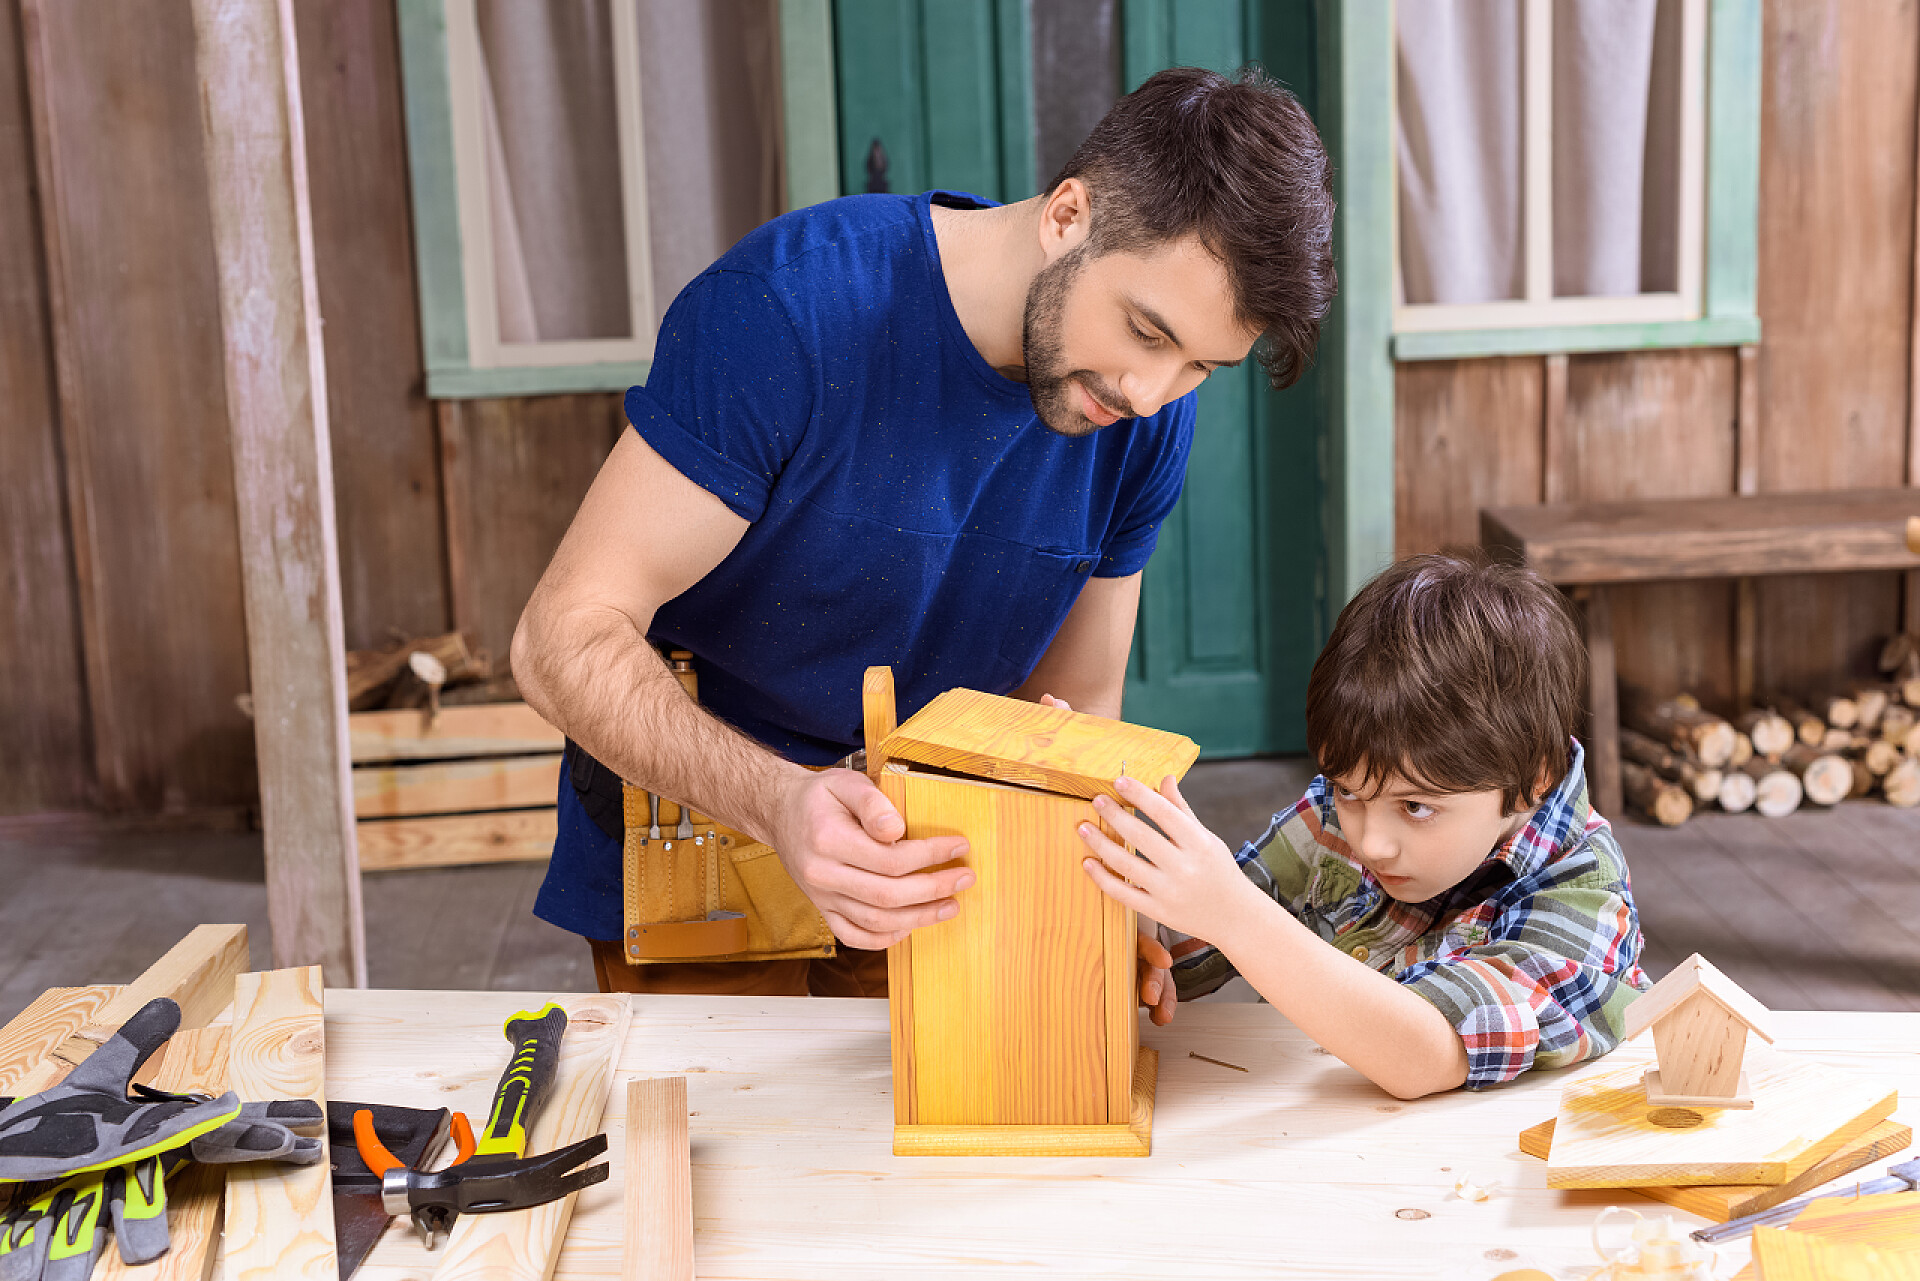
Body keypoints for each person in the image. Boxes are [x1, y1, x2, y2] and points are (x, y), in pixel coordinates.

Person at [512, 66, 1337, 996]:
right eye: (1146, 333)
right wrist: (779, 802)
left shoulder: (1143, 416)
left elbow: (1077, 704)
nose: (1152, 394)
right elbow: (559, 637)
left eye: (1201, 367)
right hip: (707, 852)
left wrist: (1112, 913)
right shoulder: (786, 312)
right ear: (1068, 214)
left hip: (942, 873)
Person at [1079, 552, 1650, 1098]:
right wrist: (1123, 899)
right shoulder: (1338, 813)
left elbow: (1426, 1056)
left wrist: (1233, 913)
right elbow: (1189, 947)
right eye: (1348, 790)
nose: (1370, 843)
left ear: (1532, 779)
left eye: (1416, 807)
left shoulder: (1585, 896)